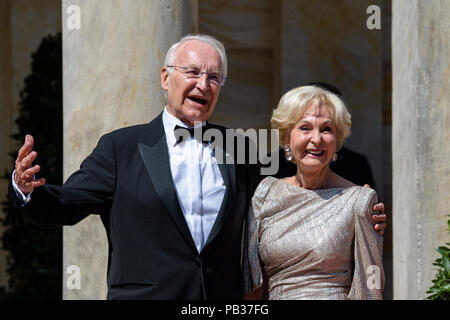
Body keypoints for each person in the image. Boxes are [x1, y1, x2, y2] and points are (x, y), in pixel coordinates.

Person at [9, 34, 386, 300]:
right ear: (165, 77)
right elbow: (67, 204)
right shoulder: (122, 147)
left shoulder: (243, 149)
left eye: (213, 77)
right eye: (192, 73)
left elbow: (303, 182)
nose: (202, 85)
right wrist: (29, 190)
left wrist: (358, 207)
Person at [243, 85, 385, 299]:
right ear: (286, 138)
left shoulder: (360, 200)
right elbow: (252, 283)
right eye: (305, 128)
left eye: (326, 129)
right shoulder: (264, 195)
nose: (316, 139)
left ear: (337, 141)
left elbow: (371, 285)